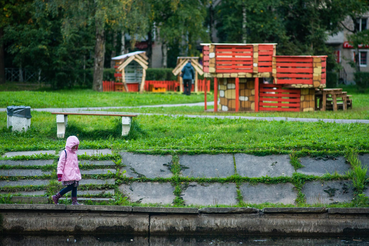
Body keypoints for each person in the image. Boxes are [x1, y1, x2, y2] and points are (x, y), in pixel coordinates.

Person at [52, 136, 82, 205]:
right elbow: (61, 163)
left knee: (75, 186)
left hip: (74, 174)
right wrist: (59, 173)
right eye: (74, 146)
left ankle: (74, 201)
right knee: (70, 187)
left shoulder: (74, 154)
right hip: (68, 174)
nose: (75, 147)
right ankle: (56, 196)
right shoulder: (65, 152)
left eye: (76, 146)